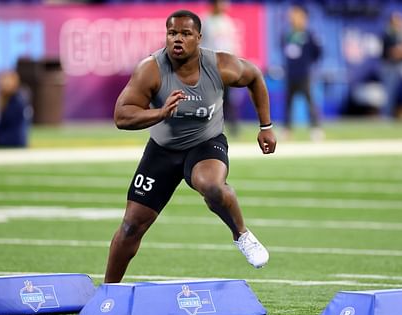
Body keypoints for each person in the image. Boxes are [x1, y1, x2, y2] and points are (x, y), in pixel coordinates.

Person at [104, 10, 276, 283]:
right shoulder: (151, 69)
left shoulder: (220, 65)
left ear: (199, 37)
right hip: (162, 149)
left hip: (205, 143)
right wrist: (159, 114)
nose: (177, 40)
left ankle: (241, 234)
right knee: (131, 226)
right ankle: (108, 292)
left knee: (211, 185)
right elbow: (121, 116)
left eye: (185, 34)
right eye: (172, 33)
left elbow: (254, 76)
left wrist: (265, 126)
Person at [281, 5, 323, 141]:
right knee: (288, 103)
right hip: (290, 73)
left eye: (296, 15)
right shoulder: (287, 35)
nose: (293, 18)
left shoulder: (309, 35)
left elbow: (317, 52)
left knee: (309, 101)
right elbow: (285, 50)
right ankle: (287, 129)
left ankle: (315, 128)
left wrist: (308, 64)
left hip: (304, 73)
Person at [202, 0, 241, 136]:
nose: (225, 5)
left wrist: (235, 62)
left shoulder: (227, 22)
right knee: (210, 98)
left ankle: (234, 128)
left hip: (226, 66)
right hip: (211, 65)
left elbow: (232, 44)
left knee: (227, 98)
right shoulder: (205, 21)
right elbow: (200, 44)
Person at [0, 71, 32, 148]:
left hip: (11, 141)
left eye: (4, 83)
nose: (1, 85)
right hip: (16, 140)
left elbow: (5, 125)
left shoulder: (16, 103)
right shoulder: (16, 100)